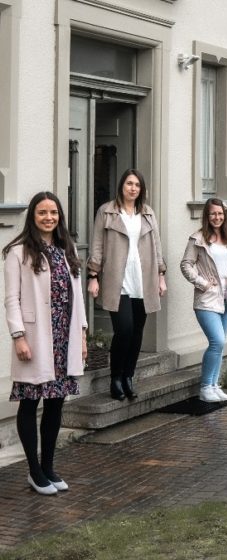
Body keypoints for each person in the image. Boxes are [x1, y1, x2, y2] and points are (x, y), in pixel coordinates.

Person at [4, 192, 88, 495]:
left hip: (64, 337)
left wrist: (81, 335)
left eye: (53, 212)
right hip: (36, 338)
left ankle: (49, 466)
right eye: (42, 213)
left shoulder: (67, 248)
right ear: (33, 216)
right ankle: (34, 470)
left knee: (56, 402)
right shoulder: (18, 252)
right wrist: (18, 336)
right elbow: (11, 299)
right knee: (30, 401)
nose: (48, 218)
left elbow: (76, 297)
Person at [88, 169, 166, 401]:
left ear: (141, 189)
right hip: (117, 279)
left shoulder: (147, 213)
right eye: (129, 184)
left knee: (137, 332)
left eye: (137, 185)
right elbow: (97, 245)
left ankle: (129, 377)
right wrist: (93, 275)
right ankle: (116, 378)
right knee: (124, 329)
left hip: (144, 279)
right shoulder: (107, 211)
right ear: (122, 185)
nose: (133, 188)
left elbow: (157, 246)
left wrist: (161, 275)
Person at [180, 198, 227, 403]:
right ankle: (205, 387)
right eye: (213, 214)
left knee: (220, 345)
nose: (217, 217)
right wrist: (202, 283)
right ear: (207, 215)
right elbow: (186, 265)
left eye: (220, 214)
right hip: (207, 300)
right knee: (217, 341)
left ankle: (214, 385)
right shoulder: (197, 239)